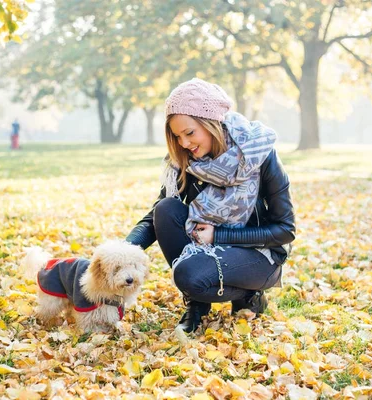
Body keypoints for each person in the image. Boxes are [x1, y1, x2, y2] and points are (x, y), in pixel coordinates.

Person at [126, 78, 296, 333]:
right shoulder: (186, 161)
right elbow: (157, 217)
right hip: (208, 248)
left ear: (212, 122)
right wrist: (122, 250)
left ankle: (249, 295)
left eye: (189, 133)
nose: (183, 143)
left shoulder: (260, 154)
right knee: (166, 209)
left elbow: (285, 230)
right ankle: (197, 304)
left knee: (189, 276)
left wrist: (219, 235)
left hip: (259, 254)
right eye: (177, 136)